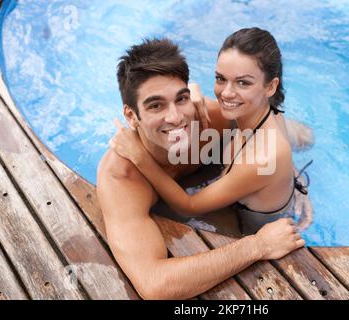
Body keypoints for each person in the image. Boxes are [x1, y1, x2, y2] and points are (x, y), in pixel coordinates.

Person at [97, 37, 308, 300]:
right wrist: (259, 245)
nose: (175, 117)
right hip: (219, 206)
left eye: (180, 99)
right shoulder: (122, 178)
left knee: (305, 137)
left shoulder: (207, 117)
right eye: (155, 105)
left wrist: (292, 179)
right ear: (131, 116)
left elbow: (264, 125)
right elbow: (155, 285)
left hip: (233, 189)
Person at [110, 28, 313, 235]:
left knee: (166, 215)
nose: (226, 93)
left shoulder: (262, 158)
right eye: (220, 79)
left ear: (270, 87)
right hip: (257, 185)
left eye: (243, 82)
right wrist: (294, 180)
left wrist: (141, 158)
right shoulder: (268, 113)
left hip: (250, 226)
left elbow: (188, 205)